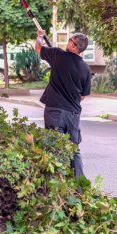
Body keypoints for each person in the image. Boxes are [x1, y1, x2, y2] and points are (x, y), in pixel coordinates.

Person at [35, 30, 91, 179]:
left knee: (54, 147)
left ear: (73, 45)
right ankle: (79, 184)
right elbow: (83, 95)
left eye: (70, 40)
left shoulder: (58, 55)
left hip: (55, 112)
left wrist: (40, 35)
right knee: (74, 150)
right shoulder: (86, 68)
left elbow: (38, 47)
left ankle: (57, 183)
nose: (67, 42)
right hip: (73, 114)